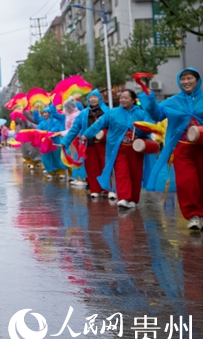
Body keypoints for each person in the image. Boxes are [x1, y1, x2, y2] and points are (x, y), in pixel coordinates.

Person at [140, 68, 203, 229]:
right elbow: (157, 115)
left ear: (197, 81)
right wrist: (150, 99)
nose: (186, 82)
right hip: (182, 149)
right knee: (186, 182)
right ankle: (194, 216)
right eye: (183, 79)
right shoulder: (173, 101)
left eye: (190, 78)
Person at [84, 90, 153, 210]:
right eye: (121, 98)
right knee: (121, 173)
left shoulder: (141, 114)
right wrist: (87, 134)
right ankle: (123, 198)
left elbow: (150, 127)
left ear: (133, 100)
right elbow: (99, 124)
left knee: (135, 174)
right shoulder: (112, 113)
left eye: (126, 98)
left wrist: (141, 130)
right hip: (117, 148)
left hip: (135, 149)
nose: (123, 100)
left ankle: (133, 199)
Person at [62, 90, 109, 198]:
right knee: (91, 167)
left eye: (95, 97)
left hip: (105, 144)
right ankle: (95, 189)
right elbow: (74, 129)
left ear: (100, 99)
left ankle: (108, 189)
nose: (93, 99)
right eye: (90, 97)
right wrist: (65, 142)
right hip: (89, 144)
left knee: (106, 166)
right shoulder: (83, 114)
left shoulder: (108, 112)